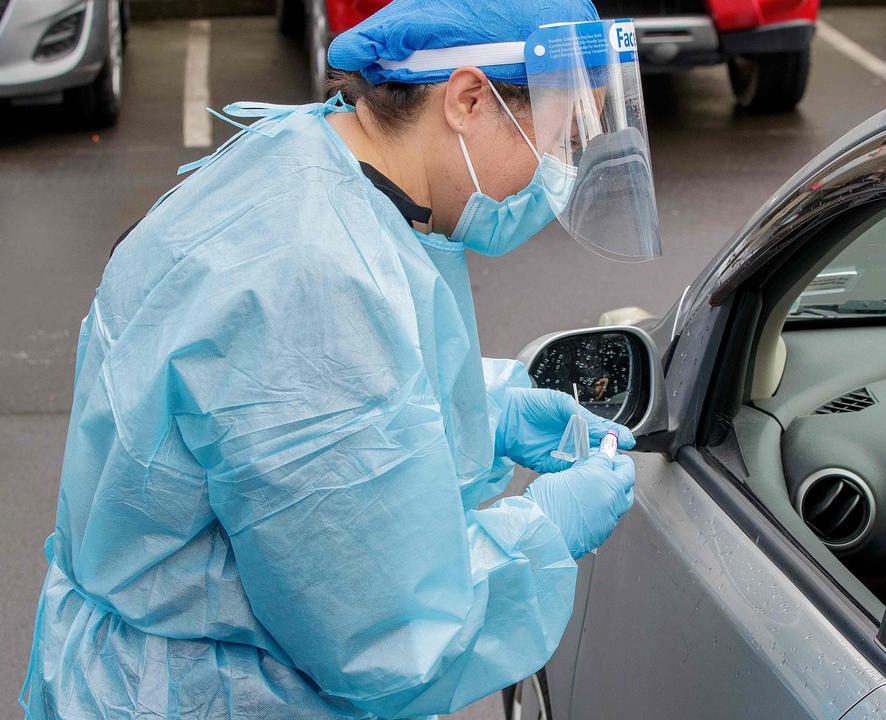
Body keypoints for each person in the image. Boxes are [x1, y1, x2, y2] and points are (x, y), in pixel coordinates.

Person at [18, 1, 661, 717]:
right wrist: (541, 530)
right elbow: (388, 636)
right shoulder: (318, 278)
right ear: (469, 100)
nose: (561, 170)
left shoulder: (308, 155)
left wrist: (484, 411)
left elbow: (301, 421)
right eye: (558, 135)